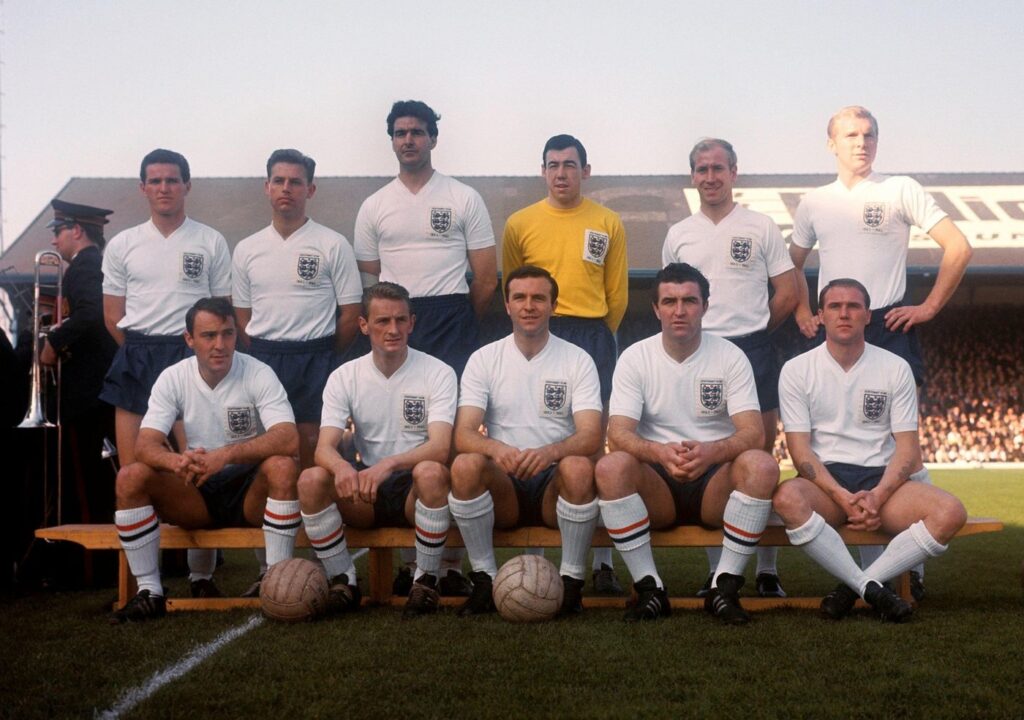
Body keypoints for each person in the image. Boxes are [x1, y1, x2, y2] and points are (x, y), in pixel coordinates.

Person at [788, 106, 972, 595]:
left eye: (869, 135)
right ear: (831, 143)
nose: (861, 143)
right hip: (834, 324)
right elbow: (791, 265)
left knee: (901, 445)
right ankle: (876, 576)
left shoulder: (900, 189)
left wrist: (929, 307)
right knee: (843, 437)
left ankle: (909, 569)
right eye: (850, 135)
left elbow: (959, 247)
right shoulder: (814, 202)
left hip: (888, 324)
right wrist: (803, 309)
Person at [354, 99, 497, 595]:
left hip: (451, 318)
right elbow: (372, 279)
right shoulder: (374, 205)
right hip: (397, 320)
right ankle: (415, 560)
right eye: (400, 132)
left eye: (417, 131)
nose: (408, 139)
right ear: (391, 140)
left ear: (433, 138)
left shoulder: (463, 197)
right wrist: (399, 321)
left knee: (449, 441)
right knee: (400, 427)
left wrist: (455, 319)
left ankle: (451, 563)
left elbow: (484, 277)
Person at [773, 278, 967, 622]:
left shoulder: (895, 367)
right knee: (787, 498)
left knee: (950, 512)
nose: (844, 313)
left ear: (868, 316)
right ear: (821, 315)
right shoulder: (796, 370)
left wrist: (877, 496)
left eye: (854, 306)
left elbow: (907, 450)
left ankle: (857, 585)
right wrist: (841, 496)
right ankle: (873, 589)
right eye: (834, 306)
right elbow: (799, 451)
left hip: (881, 477)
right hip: (827, 482)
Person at [595, 263, 779, 623]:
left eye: (690, 301)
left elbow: (753, 433)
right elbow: (617, 433)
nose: (679, 311)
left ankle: (723, 588)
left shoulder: (730, 356)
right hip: (657, 486)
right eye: (670, 301)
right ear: (656, 309)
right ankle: (650, 589)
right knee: (610, 465)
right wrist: (658, 452)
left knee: (761, 464)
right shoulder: (635, 357)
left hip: (714, 486)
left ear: (706, 307)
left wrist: (712, 451)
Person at [661, 138, 798, 598]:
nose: (710, 177)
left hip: (752, 350)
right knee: (708, 457)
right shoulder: (680, 232)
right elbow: (672, 293)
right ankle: (718, 569)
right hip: (700, 354)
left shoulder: (761, 227)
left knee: (759, 454)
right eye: (701, 169)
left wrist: (756, 328)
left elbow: (787, 290)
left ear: (735, 172)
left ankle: (767, 568)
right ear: (693, 176)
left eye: (719, 168)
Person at [110, 298, 300, 623]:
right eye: (209, 336)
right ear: (189, 339)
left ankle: (276, 584)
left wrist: (225, 455)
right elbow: (145, 444)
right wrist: (176, 463)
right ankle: (150, 592)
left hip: (247, 492)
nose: (219, 345)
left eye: (227, 334)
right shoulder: (173, 377)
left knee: (283, 465)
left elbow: (288, 437)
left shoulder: (257, 372)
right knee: (130, 476)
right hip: (195, 489)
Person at [101, 149, 233, 598]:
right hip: (137, 357)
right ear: (142, 187)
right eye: (154, 181)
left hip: (190, 357)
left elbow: (218, 310)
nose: (163, 188)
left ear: (187, 185)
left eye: (172, 180)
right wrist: (146, 358)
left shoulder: (211, 240)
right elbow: (112, 316)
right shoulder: (122, 243)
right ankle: (145, 584)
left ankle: (201, 576)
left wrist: (189, 358)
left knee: (197, 462)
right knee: (136, 470)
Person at [501, 133, 628, 594]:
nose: (561, 173)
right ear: (542, 171)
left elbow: (616, 295)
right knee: (532, 430)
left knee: (591, 449)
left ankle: (600, 561)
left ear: (585, 171)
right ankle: (533, 559)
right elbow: (514, 283)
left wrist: (595, 333)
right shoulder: (519, 222)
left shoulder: (607, 221)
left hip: (590, 333)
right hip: (538, 329)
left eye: (570, 165)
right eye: (552, 165)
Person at [449, 265, 603, 616]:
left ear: (553, 305)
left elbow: (591, 435)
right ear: (507, 305)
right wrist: (497, 449)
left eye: (538, 298)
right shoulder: (484, 359)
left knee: (579, 466)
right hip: (506, 485)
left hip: (555, 484)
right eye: (519, 297)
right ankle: (485, 580)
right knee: (466, 463)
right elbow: (463, 434)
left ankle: (572, 585)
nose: (529, 305)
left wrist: (550, 452)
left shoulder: (578, 359)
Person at [297, 282, 458, 616]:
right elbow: (324, 448)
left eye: (401, 320)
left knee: (430, 471)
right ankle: (344, 580)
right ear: (363, 325)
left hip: (416, 488)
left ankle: (425, 581)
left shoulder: (438, 371)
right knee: (312, 479)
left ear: (412, 322)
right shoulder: (344, 376)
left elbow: (440, 447)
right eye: (383, 321)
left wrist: (388, 465)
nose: (393, 329)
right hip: (367, 489)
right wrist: (342, 468)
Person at [232, 149, 362, 470]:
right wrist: (262, 351)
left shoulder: (333, 244)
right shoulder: (247, 248)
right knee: (266, 450)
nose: (286, 188)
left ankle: (313, 518)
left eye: (295, 182)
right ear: (267, 187)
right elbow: (241, 316)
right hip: (262, 358)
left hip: (315, 359)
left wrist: (325, 353)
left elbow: (350, 314)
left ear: (310, 189)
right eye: (278, 181)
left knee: (310, 453)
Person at [39, 200, 119, 585]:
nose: (54, 239)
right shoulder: (94, 265)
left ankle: (89, 567)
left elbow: (90, 314)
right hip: (98, 386)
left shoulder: (85, 267)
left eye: (57, 230)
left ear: (76, 231)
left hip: (88, 390)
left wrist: (54, 340)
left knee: (86, 478)